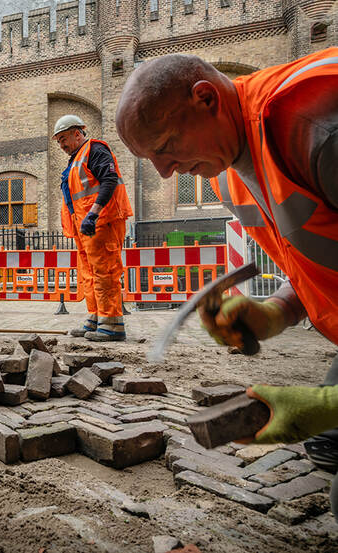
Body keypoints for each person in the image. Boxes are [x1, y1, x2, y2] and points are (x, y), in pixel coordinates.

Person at [115, 49, 338, 480]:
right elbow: (318, 256)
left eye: (166, 147)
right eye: (152, 160)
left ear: (206, 98)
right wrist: (277, 312)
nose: (165, 174)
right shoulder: (229, 170)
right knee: (328, 443)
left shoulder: (318, 129)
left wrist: (328, 405)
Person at [52, 114, 133, 341]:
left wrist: (93, 214)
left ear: (77, 134)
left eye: (63, 139)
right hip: (86, 227)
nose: (61, 145)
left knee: (105, 271)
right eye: (58, 141)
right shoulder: (77, 157)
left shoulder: (95, 150)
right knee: (89, 273)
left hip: (101, 223)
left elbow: (109, 180)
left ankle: (112, 324)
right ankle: (96, 318)